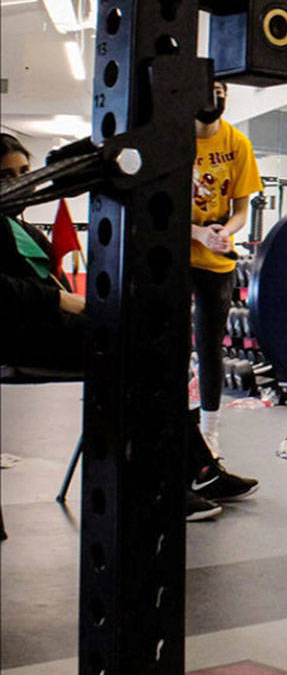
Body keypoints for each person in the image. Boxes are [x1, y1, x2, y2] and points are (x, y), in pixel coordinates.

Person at [0, 133, 255, 520]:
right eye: (7, 176)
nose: (20, 183)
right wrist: (60, 300)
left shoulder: (27, 230)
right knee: (146, 356)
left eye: (24, 172)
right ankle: (164, 483)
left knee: (157, 347)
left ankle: (198, 470)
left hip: (56, 328)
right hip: (22, 338)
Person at [190, 80, 264, 459]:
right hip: (175, 254)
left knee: (210, 347)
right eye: (208, 88)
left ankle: (209, 432)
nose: (215, 96)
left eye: (220, 89)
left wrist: (223, 233)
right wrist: (199, 234)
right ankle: (171, 426)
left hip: (216, 258)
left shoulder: (237, 143)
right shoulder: (175, 139)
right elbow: (162, 208)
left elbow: (241, 210)